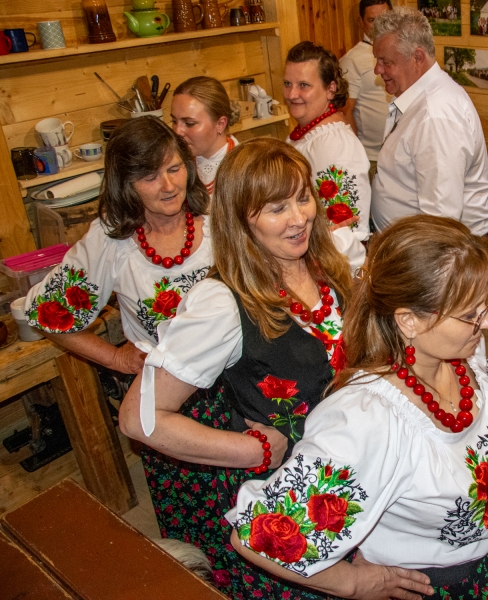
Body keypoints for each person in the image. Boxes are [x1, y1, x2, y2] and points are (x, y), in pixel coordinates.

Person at [227, 215, 488, 600]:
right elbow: (259, 536)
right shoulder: (366, 419)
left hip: (482, 573)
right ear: (409, 321)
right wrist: (354, 583)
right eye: (471, 314)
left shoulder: (465, 354)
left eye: (486, 304)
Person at [118, 138, 354, 599]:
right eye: (277, 208)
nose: (299, 217)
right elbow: (139, 419)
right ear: (241, 220)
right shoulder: (221, 304)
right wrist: (252, 451)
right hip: (290, 500)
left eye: (302, 198)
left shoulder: (325, 263)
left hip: (349, 474)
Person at [23, 115, 218, 561]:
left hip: (234, 388)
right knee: (196, 521)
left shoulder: (215, 216)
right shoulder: (112, 240)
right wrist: (115, 359)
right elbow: (50, 315)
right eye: (149, 177)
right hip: (166, 402)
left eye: (174, 168)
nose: (168, 185)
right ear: (125, 185)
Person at [370, 7, 488, 250]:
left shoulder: (436, 115)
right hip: (412, 245)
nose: (377, 70)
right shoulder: (420, 98)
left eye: (386, 62)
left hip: (445, 252)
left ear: (417, 57)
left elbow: (441, 221)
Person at [285, 41, 369, 271]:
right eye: (287, 83)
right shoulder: (309, 133)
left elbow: (348, 233)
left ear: (330, 89)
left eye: (304, 85)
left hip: (329, 268)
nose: (292, 94)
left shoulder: (335, 144)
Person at [340, 0, 392, 177]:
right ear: (360, 22)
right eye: (372, 20)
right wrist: (356, 156)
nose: (380, 25)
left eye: (384, 18)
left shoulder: (401, 53)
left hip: (401, 153)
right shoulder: (352, 60)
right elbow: (346, 110)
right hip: (371, 158)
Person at [171, 76, 241, 194]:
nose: (177, 131)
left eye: (189, 123)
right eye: (174, 121)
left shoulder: (245, 171)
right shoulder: (177, 161)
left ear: (220, 124)